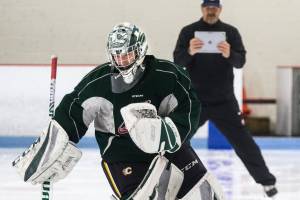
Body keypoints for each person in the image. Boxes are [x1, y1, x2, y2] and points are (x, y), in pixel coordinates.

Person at [12, 22, 227, 200]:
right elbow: (72, 112)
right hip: (122, 157)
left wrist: (168, 134)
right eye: (117, 56)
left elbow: (190, 105)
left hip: (168, 148)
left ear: (141, 50)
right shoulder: (99, 83)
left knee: (206, 193)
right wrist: (49, 149)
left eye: (127, 54)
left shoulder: (166, 75)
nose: (122, 61)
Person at [173, 0, 278, 198]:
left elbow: (240, 62)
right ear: (202, 8)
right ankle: (164, 180)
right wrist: (189, 52)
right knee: (177, 140)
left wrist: (230, 53)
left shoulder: (231, 32)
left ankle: (267, 182)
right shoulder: (189, 31)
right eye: (207, 7)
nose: (210, 11)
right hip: (196, 101)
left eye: (214, 7)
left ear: (220, 9)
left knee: (244, 143)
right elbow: (177, 61)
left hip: (224, 101)